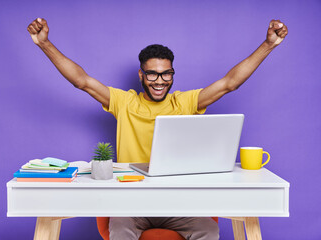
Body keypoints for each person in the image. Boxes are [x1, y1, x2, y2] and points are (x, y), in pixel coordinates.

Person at [27, 18, 288, 240]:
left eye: (166, 74)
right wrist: (45, 44)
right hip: (131, 204)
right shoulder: (124, 102)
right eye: (152, 74)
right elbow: (81, 81)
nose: (159, 81)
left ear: (173, 74)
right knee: (119, 230)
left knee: (208, 230)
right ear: (141, 75)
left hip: (177, 203)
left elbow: (230, 83)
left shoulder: (185, 102)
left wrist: (268, 45)